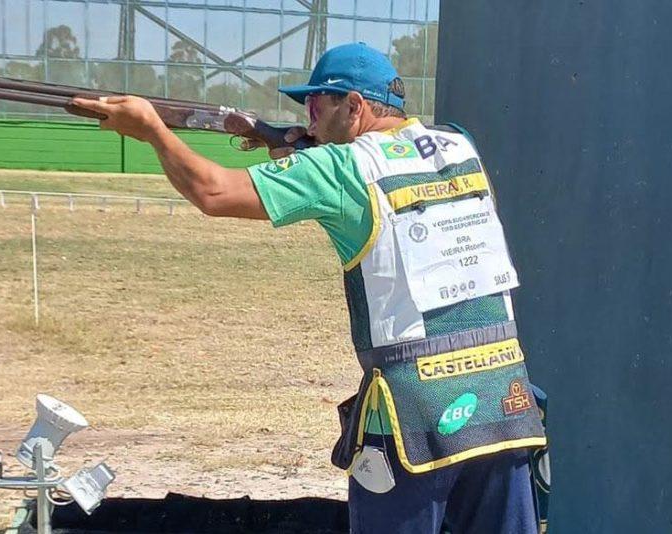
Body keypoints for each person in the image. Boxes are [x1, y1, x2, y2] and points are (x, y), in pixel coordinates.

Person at [73, 42, 547, 534]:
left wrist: (152, 130)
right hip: (503, 404)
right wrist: (297, 150)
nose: (310, 120)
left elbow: (212, 192)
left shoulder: (341, 168)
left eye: (318, 106)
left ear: (355, 106)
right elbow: (397, 165)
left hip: (413, 418)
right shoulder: (459, 144)